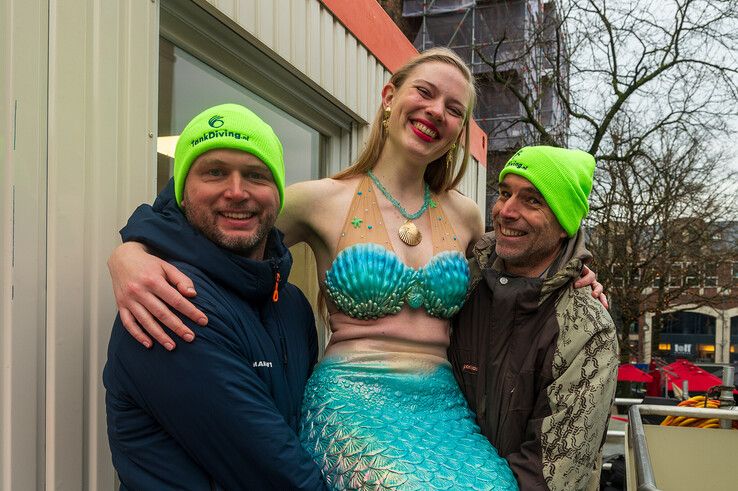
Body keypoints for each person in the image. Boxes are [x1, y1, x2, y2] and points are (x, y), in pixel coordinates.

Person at [107, 50, 603, 489]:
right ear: (390, 97)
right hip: (351, 402)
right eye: (424, 94)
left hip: (443, 407)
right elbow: (219, 220)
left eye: (455, 109)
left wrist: (579, 277)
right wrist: (132, 250)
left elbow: (530, 265)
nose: (437, 112)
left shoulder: (467, 215)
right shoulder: (320, 200)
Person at [103, 103, 327, 490]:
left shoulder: (291, 305)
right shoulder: (169, 299)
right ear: (182, 194)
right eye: (215, 172)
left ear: (277, 194)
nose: (237, 192)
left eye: (256, 175)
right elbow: (276, 476)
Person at [448, 146, 619, 491]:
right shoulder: (463, 283)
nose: (506, 211)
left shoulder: (587, 329)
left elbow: (549, 474)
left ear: (563, 225)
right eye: (505, 193)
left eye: (532, 201)